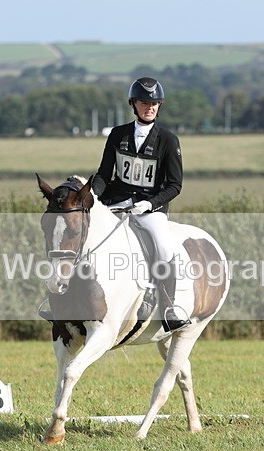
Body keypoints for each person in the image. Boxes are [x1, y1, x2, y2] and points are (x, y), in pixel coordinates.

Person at [90, 77, 190, 331]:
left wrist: (150, 203)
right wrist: (92, 195)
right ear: (133, 104)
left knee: (164, 247)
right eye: (144, 103)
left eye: (154, 103)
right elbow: (104, 175)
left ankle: (169, 307)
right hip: (115, 202)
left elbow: (175, 185)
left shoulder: (168, 140)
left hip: (149, 208)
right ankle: (63, 300)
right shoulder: (118, 134)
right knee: (84, 235)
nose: (150, 107)